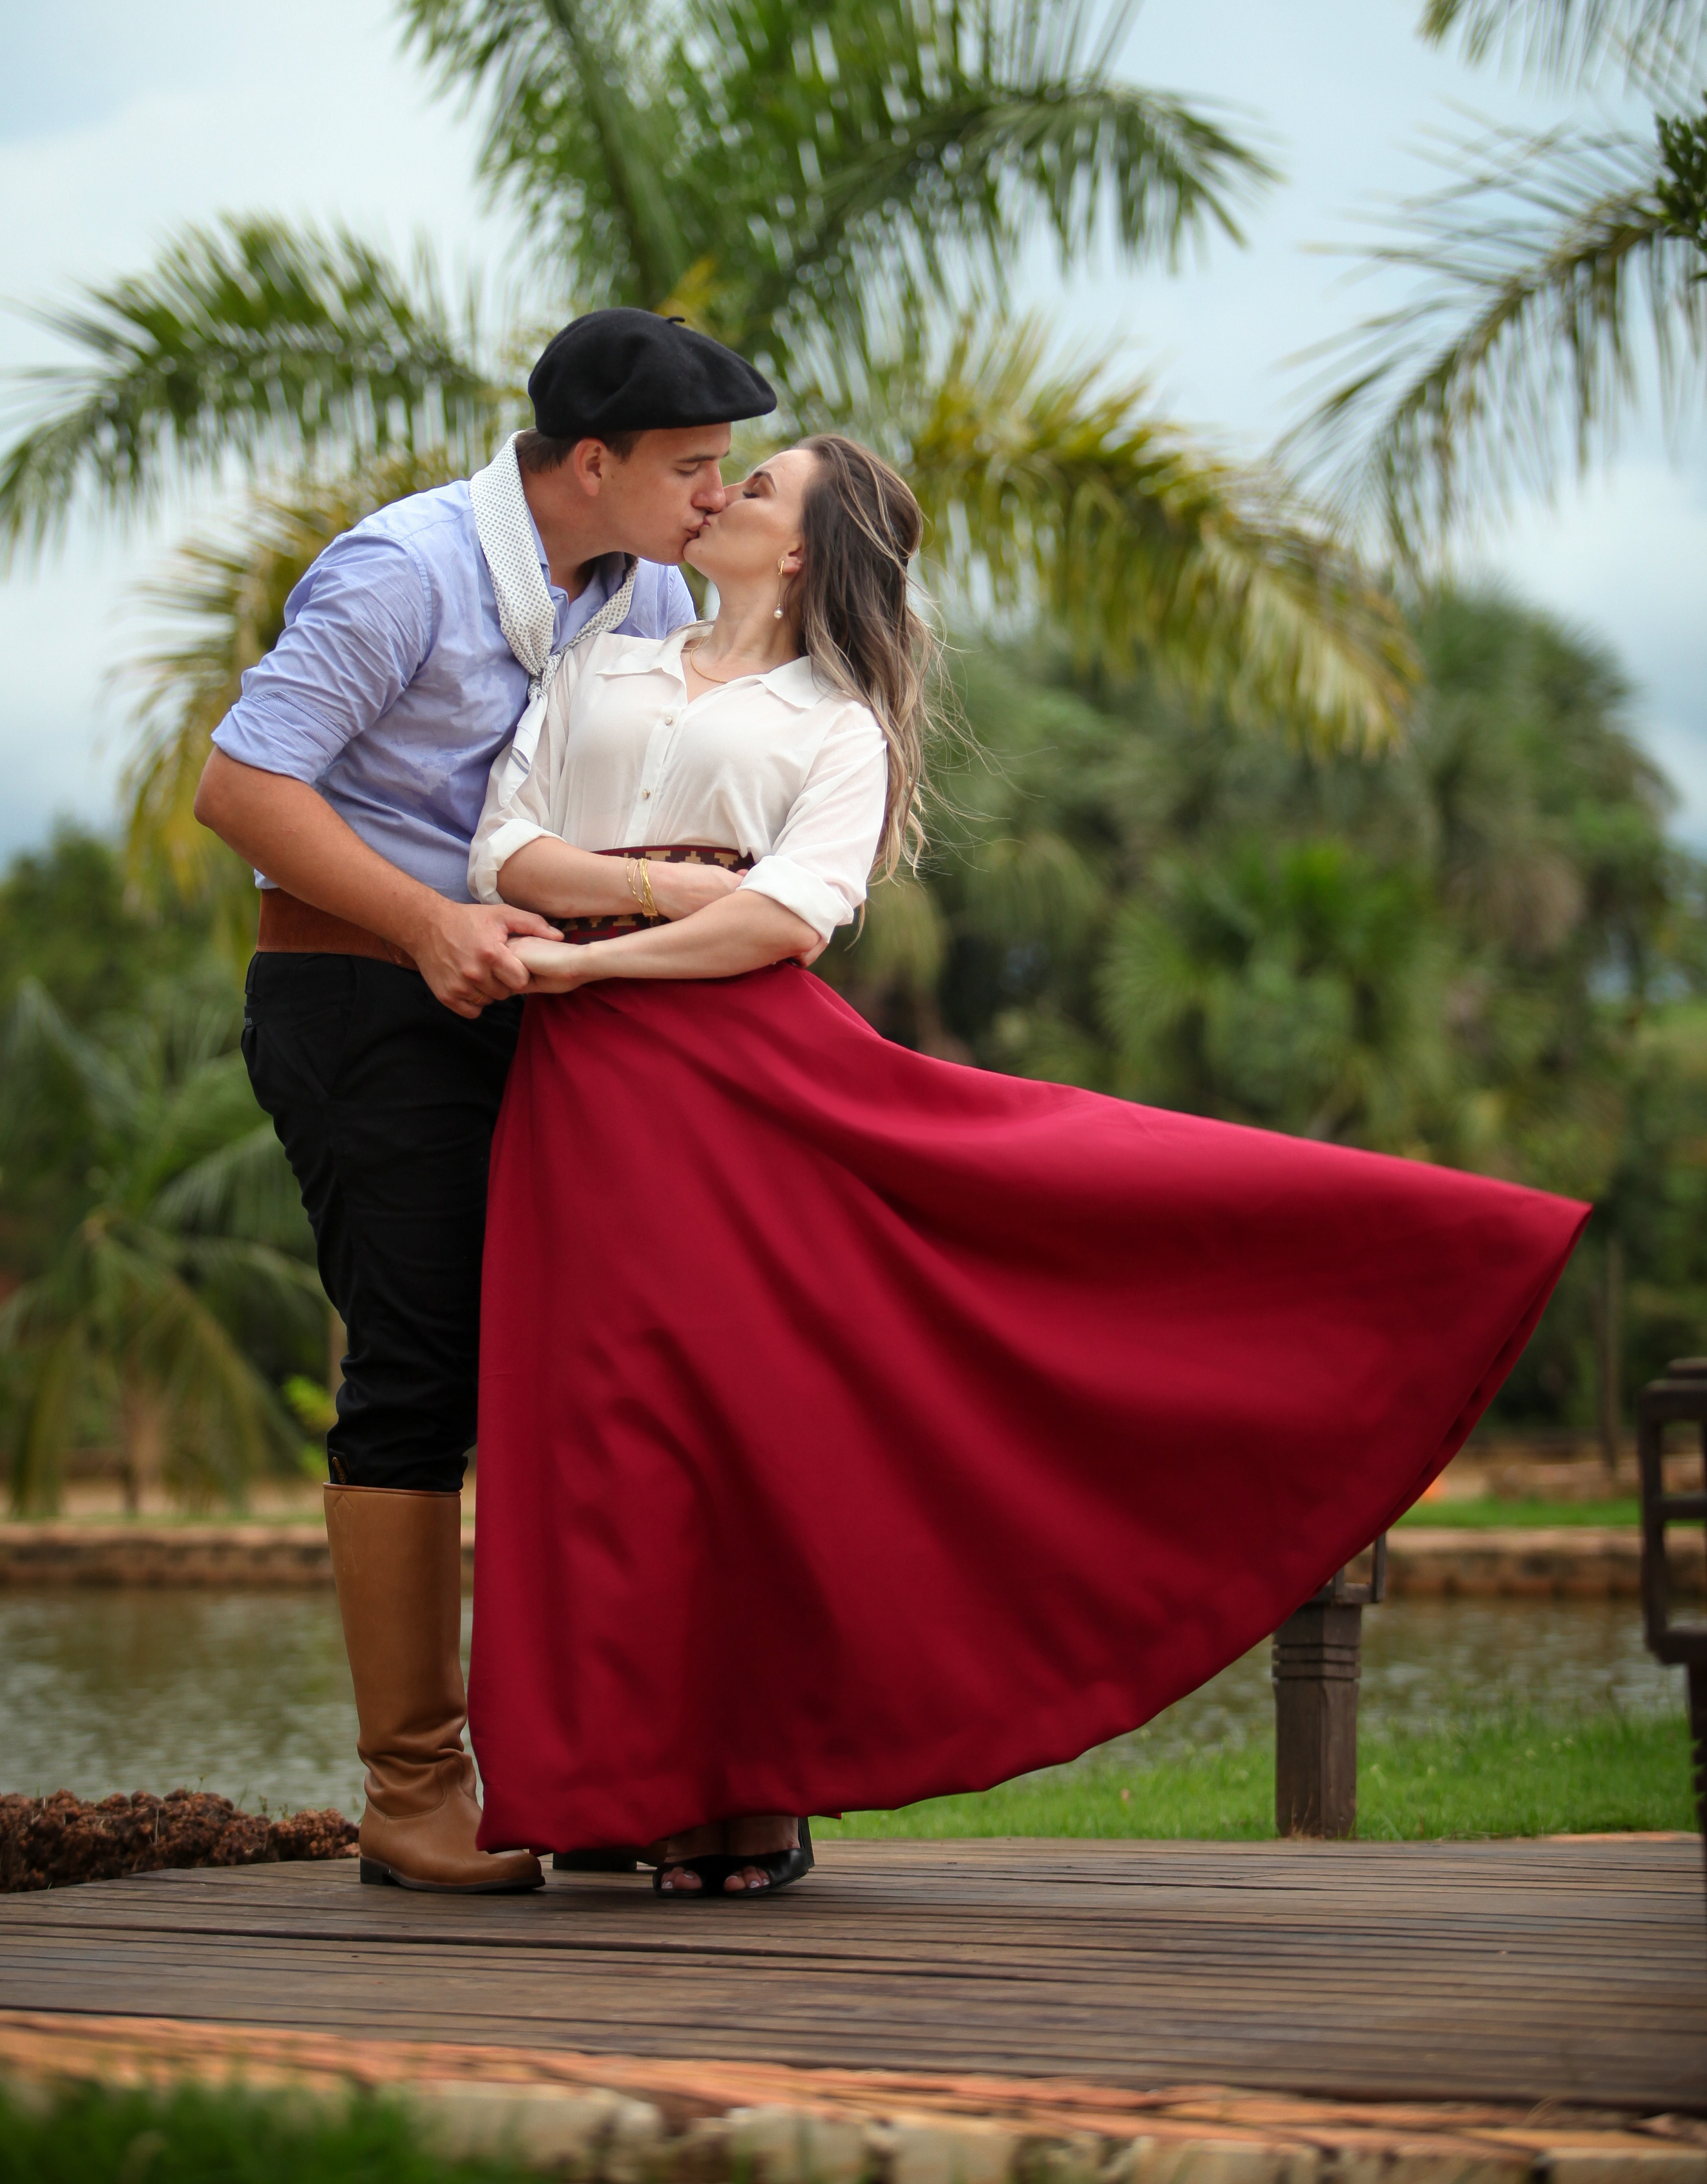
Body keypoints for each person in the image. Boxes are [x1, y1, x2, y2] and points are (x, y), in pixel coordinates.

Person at [463, 433, 1589, 1898]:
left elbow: (790, 918)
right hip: (583, 1105)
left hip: (742, 1080)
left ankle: (743, 1788)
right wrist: (638, 890)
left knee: (741, 1419)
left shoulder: (840, 724)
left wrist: (593, 974)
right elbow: (505, 850)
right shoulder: (598, 661)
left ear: (799, 548)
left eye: (755, 488)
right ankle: (609, 1782)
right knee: (598, 1426)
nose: (717, 495)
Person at [194, 308, 780, 1895]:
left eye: (729, 472)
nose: (717, 499)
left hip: (549, 1006)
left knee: (592, 1369)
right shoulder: (404, 573)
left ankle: (596, 1764)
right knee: (422, 1367)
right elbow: (240, 786)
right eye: (693, 468)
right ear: (592, 463)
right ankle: (409, 1790)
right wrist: (425, 924)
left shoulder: (646, 583)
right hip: (361, 995)